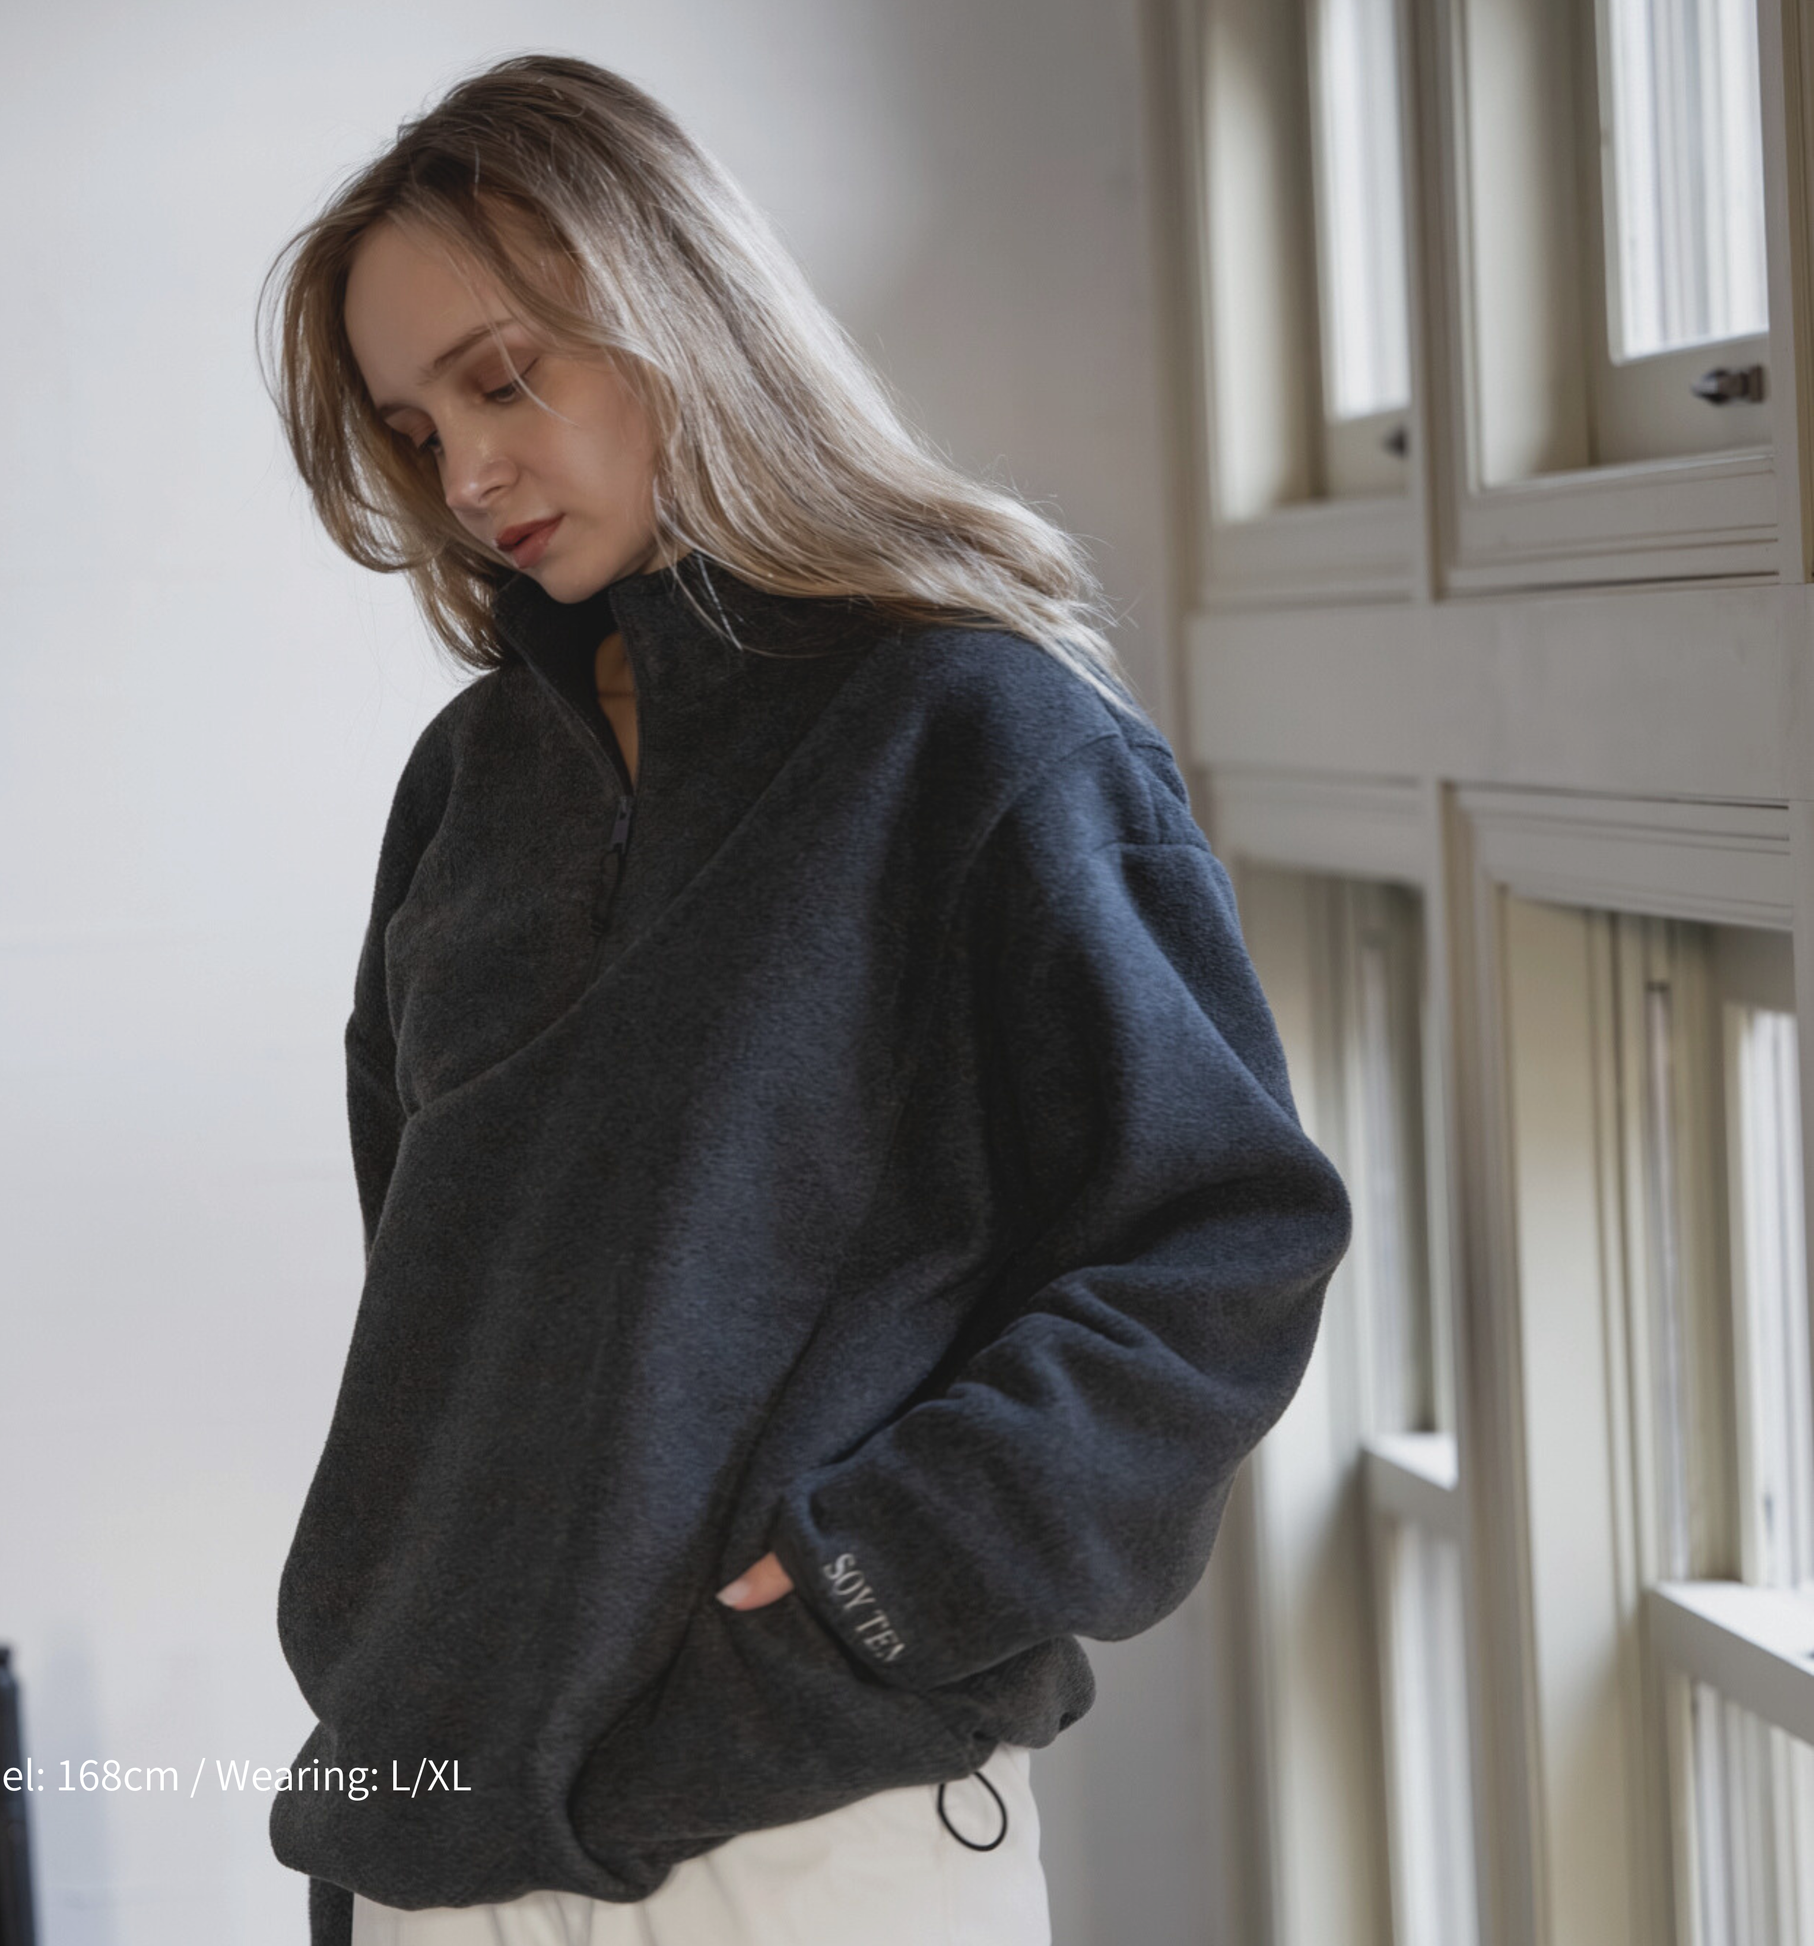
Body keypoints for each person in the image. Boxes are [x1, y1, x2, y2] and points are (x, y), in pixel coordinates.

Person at [260, 53, 1350, 1946]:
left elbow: (1218, 1246)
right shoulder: (468, 788)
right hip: (433, 1821)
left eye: (504, 379)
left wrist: (885, 1576)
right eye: (416, 430)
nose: (469, 473)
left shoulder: (978, 735)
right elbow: (425, 1298)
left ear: (680, 313)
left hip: (805, 1824)